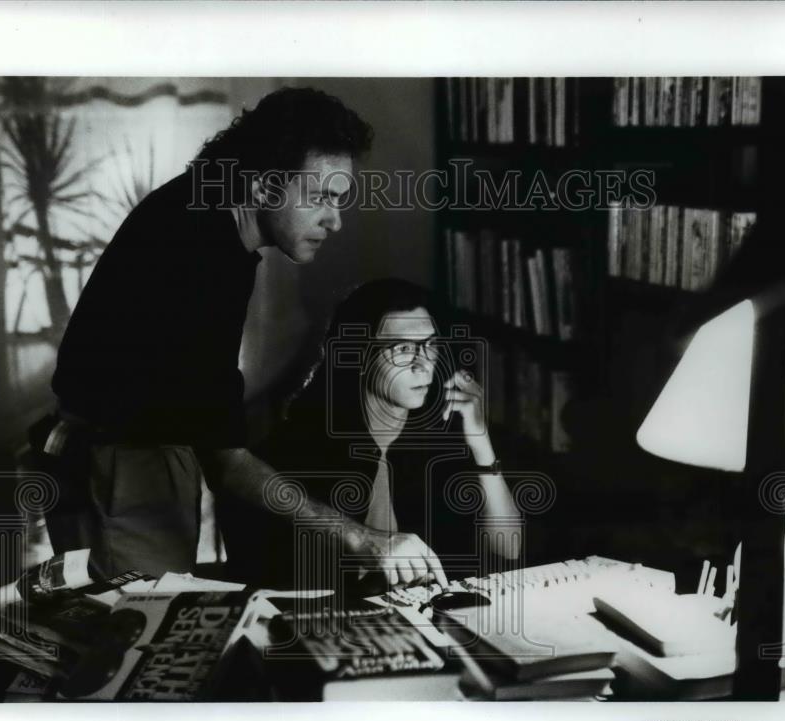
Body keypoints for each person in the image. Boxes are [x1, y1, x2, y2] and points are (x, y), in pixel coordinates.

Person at [44, 87, 448, 589]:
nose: (334, 220)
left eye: (339, 201)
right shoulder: (198, 253)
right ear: (261, 187)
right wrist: (366, 540)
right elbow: (227, 461)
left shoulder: (206, 223)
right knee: (139, 637)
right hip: (122, 466)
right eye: (320, 197)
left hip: (132, 458)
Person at [226, 278, 520, 592]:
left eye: (430, 345)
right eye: (404, 349)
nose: (424, 365)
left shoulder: (440, 431)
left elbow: (509, 548)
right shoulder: (302, 445)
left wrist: (479, 438)